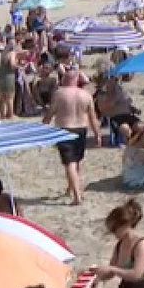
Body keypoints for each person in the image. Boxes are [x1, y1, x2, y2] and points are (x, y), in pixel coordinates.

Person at [43, 70, 101, 206]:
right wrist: (97, 134)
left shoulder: (59, 94)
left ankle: (77, 196)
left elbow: (51, 112)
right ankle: (71, 188)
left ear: (65, 80)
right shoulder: (86, 95)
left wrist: (44, 123)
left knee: (70, 163)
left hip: (64, 129)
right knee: (76, 161)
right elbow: (93, 117)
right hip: (81, 129)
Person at [91, 199, 144, 288]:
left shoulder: (142, 244)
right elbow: (110, 272)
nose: (114, 233)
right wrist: (96, 276)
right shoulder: (119, 245)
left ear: (126, 224)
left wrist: (112, 269)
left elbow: (136, 274)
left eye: (114, 229)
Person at [0, 37, 17, 120]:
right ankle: (10, 115)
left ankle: (2, 115)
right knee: (10, 98)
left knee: (2, 98)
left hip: (1, 76)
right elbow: (12, 65)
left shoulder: (3, 52)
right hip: (9, 76)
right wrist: (20, 67)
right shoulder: (12, 53)